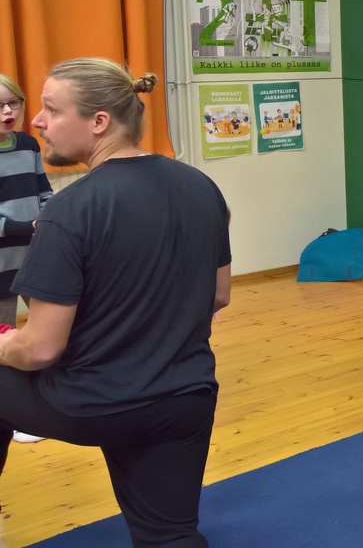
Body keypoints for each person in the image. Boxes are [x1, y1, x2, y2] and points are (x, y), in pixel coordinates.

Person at [0, 57, 231, 547]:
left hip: (97, 403)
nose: (37, 121)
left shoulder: (70, 210)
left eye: (51, 109)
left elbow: (39, 349)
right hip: (187, 399)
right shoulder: (201, 187)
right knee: (169, 536)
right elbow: (219, 295)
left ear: (99, 121)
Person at [0, 75, 54, 444]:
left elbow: (43, 190)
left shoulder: (29, 144)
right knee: (6, 338)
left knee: (45, 334)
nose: (8, 111)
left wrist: (50, 220)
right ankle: (10, 414)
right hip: (2, 262)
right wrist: (24, 226)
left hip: (34, 257)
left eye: (13, 103)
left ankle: (43, 409)